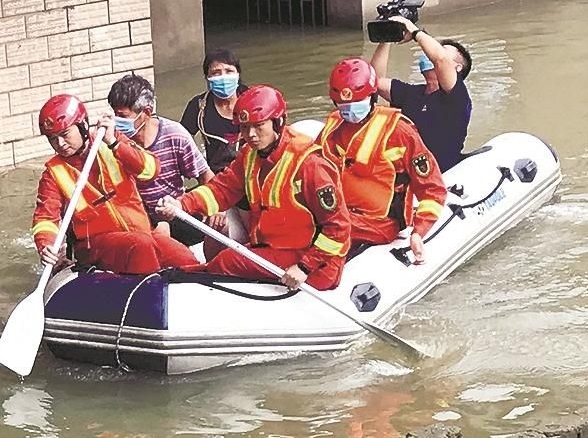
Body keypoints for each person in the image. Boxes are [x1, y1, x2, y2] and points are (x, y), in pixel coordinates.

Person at [157, 86, 352, 291]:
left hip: (313, 261)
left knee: (227, 262)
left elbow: (338, 228)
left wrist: (304, 267)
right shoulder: (249, 155)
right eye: (244, 127)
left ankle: (187, 277)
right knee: (227, 259)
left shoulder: (310, 165)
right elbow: (221, 189)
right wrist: (181, 204)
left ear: (278, 122)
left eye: (258, 126)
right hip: (275, 249)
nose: (250, 135)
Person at [31, 94, 200, 275]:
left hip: (142, 233)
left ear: (83, 125)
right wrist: (46, 244)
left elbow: (151, 170)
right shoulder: (53, 173)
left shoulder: (110, 140)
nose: (60, 144)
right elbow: (45, 218)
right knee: (140, 246)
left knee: (185, 258)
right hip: (95, 247)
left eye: (64, 134)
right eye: (52, 138)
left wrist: (115, 144)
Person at [320, 58, 448, 263]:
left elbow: (432, 188)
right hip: (337, 213)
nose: (349, 110)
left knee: (318, 231)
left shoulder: (399, 131)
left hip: (379, 222)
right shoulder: (333, 124)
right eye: (343, 105)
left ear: (372, 97)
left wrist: (419, 231)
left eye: (356, 103)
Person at [106, 74, 214, 247]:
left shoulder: (175, 134)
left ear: (146, 112)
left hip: (173, 212)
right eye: (115, 115)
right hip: (133, 218)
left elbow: (206, 177)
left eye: (123, 116)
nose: (117, 122)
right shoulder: (111, 141)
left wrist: (214, 208)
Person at [369, 18, 472, 170]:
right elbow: (373, 81)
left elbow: (440, 60)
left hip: (440, 176)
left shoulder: (457, 97)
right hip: (406, 173)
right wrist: (388, 37)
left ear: (456, 68)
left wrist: (416, 31)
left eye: (441, 50)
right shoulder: (412, 93)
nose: (429, 54)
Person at [179, 49, 248, 174]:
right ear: (207, 77)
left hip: (252, 172)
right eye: (216, 73)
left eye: (229, 71)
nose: (223, 77)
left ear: (238, 74)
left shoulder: (254, 99)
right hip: (217, 177)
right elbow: (181, 143)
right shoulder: (199, 106)